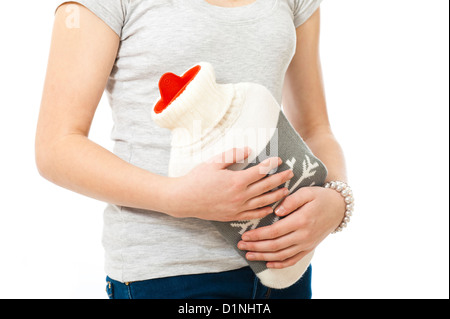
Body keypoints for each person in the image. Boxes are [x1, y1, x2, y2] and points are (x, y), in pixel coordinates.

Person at [35, 0, 350, 299]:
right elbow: (56, 146)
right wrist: (175, 197)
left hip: (286, 266)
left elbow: (315, 128)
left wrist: (337, 201)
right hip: (168, 275)